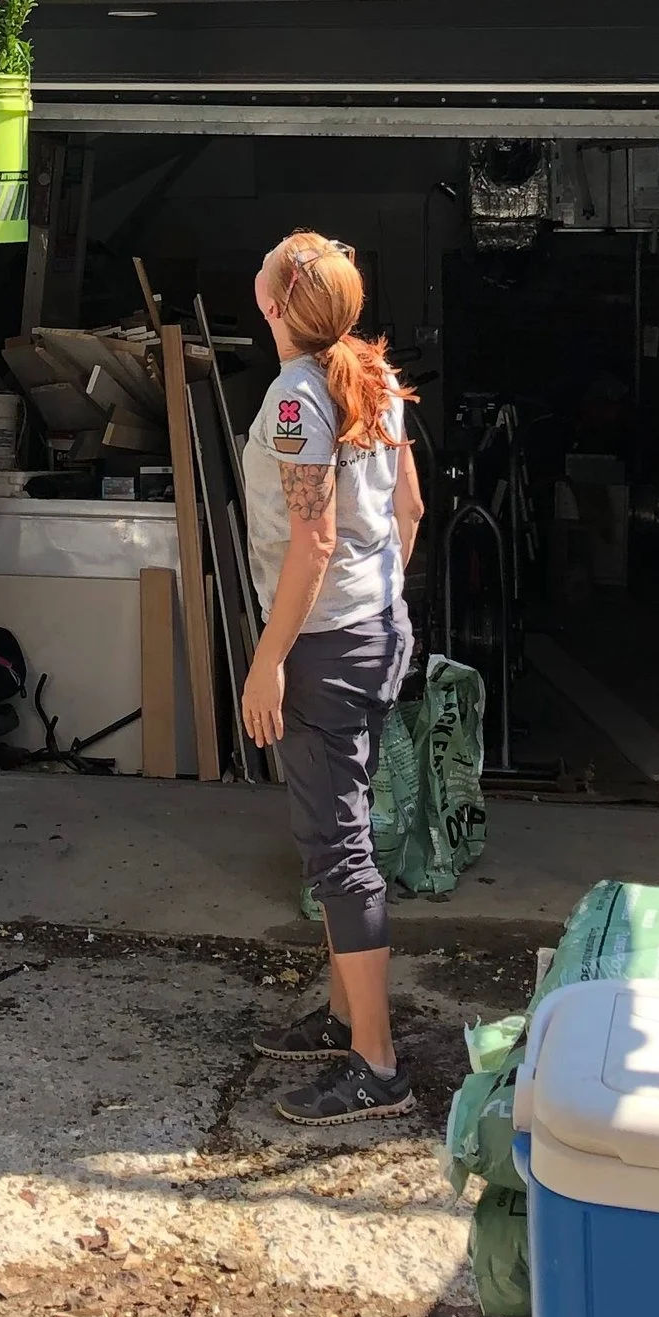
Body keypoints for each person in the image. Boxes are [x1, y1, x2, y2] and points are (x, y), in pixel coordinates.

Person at [237, 230, 425, 1126]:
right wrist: (375, 599)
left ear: (275, 304)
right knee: (338, 837)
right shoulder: (374, 376)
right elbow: (410, 510)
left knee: (337, 851)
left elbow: (312, 540)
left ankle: (376, 1066)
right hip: (377, 633)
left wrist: (269, 660)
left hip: (322, 649)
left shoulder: (295, 400)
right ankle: (346, 1017)